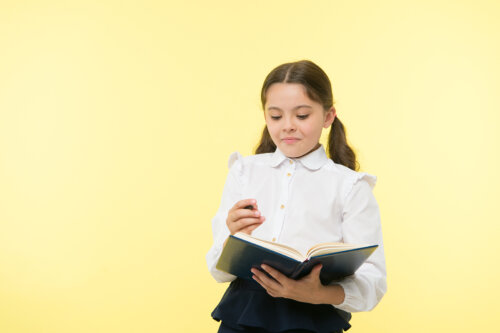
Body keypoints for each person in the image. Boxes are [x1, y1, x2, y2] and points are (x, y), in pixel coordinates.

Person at [206, 60, 387, 333]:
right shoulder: (245, 171)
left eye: (302, 115)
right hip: (242, 314)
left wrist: (318, 294)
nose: (287, 126)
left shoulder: (350, 186)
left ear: (328, 117)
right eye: (276, 116)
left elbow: (373, 281)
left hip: (311, 321)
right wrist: (232, 236)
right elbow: (217, 271)